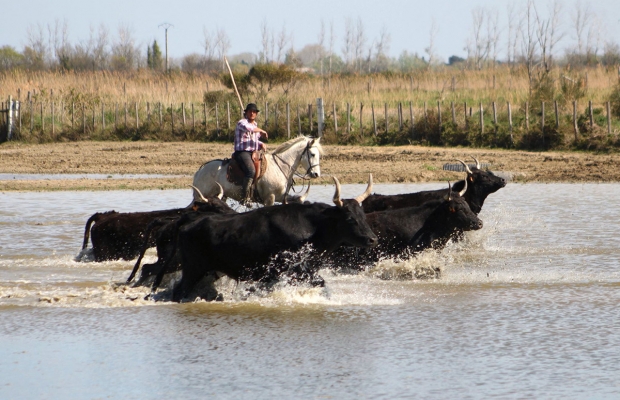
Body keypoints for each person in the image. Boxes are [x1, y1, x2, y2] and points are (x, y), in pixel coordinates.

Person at [233, 103, 268, 204]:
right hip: (242, 152)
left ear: (256, 114)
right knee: (250, 171)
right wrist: (261, 130)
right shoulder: (242, 123)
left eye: (254, 112)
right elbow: (248, 129)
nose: (252, 113)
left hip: (252, 151)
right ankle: (245, 197)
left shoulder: (255, 125)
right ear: (246, 113)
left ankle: (257, 192)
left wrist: (261, 144)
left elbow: (254, 139)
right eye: (250, 111)